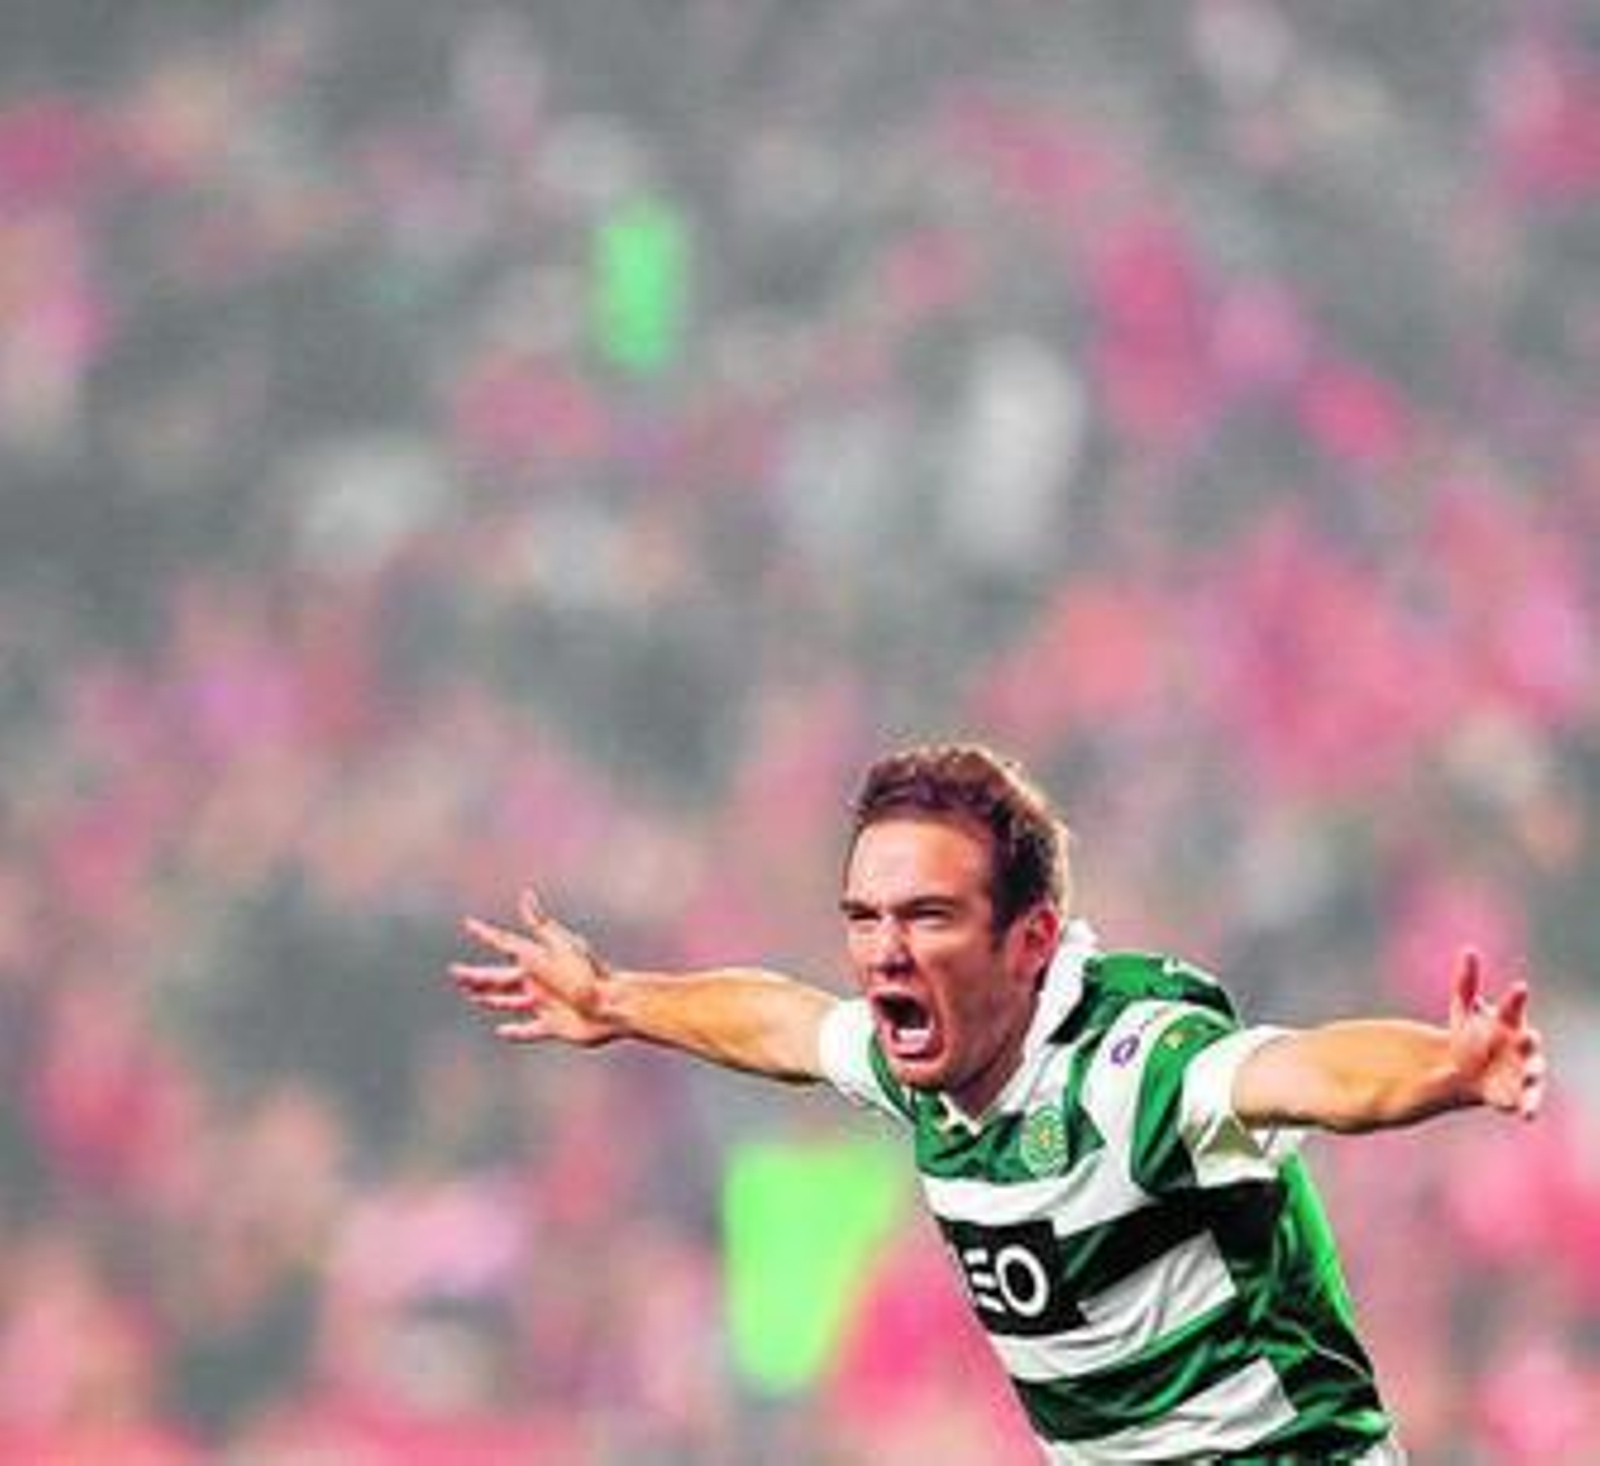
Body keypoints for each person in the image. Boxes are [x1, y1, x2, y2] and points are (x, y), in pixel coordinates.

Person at [448, 742, 1546, 1463]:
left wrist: (1445, 1071)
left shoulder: (1133, 1066)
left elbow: (1303, 1073)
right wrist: (618, 999)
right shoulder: (925, 1061)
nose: (885, 952)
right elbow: (783, 1025)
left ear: (1029, 940)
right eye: (864, 917)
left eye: (927, 916)